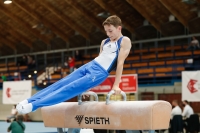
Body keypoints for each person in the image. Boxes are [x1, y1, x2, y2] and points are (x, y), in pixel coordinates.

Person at [16, 15, 132, 114]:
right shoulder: (104, 42)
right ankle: (29, 100)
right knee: (61, 83)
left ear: (119, 28)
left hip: (99, 72)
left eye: (110, 31)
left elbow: (120, 63)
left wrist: (116, 85)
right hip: (91, 65)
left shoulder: (124, 41)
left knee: (68, 89)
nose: (108, 34)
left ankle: (33, 106)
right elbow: (101, 57)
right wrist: (88, 87)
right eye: (106, 31)